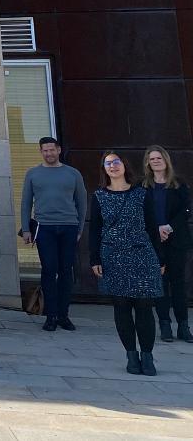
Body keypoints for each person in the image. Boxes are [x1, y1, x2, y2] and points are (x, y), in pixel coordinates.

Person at [89, 151, 165, 376]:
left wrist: (160, 257)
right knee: (121, 306)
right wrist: (94, 258)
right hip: (113, 255)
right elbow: (94, 230)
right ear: (104, 169)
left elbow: (152, 226)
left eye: (116, 162)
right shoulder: (99, 196)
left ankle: (147, 356)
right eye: (108, 163)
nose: (113, 166)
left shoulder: (141, 193)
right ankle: (131, 355)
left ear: (125, 165)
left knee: (144, 306)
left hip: (142, 254)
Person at [19, 136, 87, 332]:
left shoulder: (73, 174)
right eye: (45, 150)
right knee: (49, 269)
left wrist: (80, 228)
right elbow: (26, 202)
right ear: (41, 152)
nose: (49, 153)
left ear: (58, 150)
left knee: (66, 270)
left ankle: (63, 315)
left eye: (52, 149)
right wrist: (25, 229)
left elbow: (82, 202)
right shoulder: (33, 174)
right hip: (44, 227)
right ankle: (51, 315)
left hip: (68, 226)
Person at [142, 145, 192, 343]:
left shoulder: (179, 184)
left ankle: (183, 326)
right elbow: (142, 213)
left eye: (159, 158)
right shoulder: (142, 186)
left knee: (178, 283)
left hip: (176, 240)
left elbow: (185, 210)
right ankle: (164, 324)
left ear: (166, 160)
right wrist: (156, 229)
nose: (156, 161)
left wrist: (168, 227)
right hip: (154, 242)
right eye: (152, 158)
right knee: (160, 283)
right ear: (148, 163)